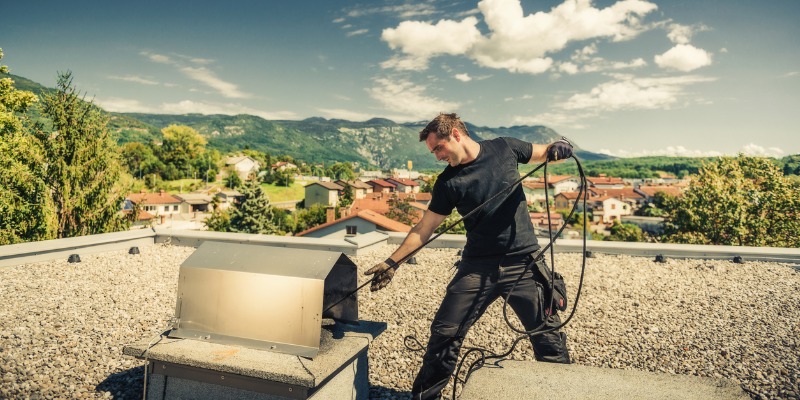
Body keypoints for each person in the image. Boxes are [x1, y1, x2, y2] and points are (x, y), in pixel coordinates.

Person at [364, 113, 573, 400]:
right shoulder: (447, 183)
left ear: (456, 135)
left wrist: (561, 144)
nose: (437, 156)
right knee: (444, 335)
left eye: (438, 148)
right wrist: (392, 262)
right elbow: (424, 228)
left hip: (523, 263)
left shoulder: (505, 148)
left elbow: (547, 151)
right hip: (477, 266)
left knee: (548, 339)